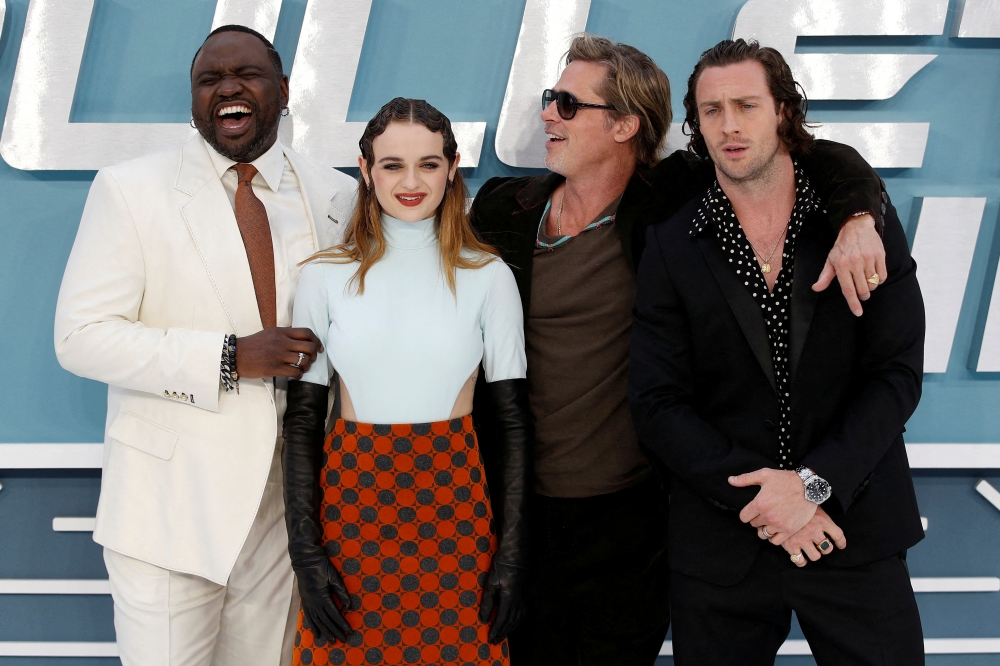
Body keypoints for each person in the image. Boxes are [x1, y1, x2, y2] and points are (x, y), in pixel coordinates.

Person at [470, 34, 892, 665]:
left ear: (624, 125)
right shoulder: (503, 207)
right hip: (512, 512)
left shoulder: (672, 200)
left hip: (630, 523)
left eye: (566, 103)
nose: (547, 115)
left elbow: (814, 157)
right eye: (548, 99)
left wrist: (859, 215)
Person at [53, 25, 357, 666]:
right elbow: (81, 337)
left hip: (288, 510)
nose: (228, 89)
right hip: (169, 510)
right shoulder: (131, 190)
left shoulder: (338, 195)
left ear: (282, 88)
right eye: (209, 79)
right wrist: (229, 356)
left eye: (245, 74)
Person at [629, 38, 926, 665]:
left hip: (852, 530)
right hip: (724, 542)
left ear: (783, 113)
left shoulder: (859, 225)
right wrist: (769, 502)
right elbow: (658, 403)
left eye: (746, 105)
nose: (730, 126)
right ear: (696, 124)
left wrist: (814, 486)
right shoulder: (672, 241)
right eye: (712, 111)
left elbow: (895, 374)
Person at [281, 97, 530, 666]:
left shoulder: (489, 276)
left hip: (456, 512)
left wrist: (512, 554)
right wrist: (306, 553)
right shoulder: (322, 277)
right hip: (349, 512)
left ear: (453, 167)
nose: (411, 181)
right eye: (392, 164)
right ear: (365, 170)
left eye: (429, 164)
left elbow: (514, 423)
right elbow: (303, 422)